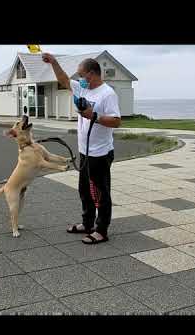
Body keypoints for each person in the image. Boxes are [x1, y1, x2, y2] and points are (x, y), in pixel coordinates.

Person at [42, 53, 121, 245]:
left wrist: (93, 116)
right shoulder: (81, 88)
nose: (78, 78)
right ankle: (87, 224)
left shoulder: (107, 93)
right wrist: (54, 62)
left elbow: (117, 121)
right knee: (84, 190)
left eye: (81, 74)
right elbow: (62, 79)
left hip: (100, 153)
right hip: (85, 151)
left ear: (92, 74)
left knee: (100, 193)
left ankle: (101, 230)